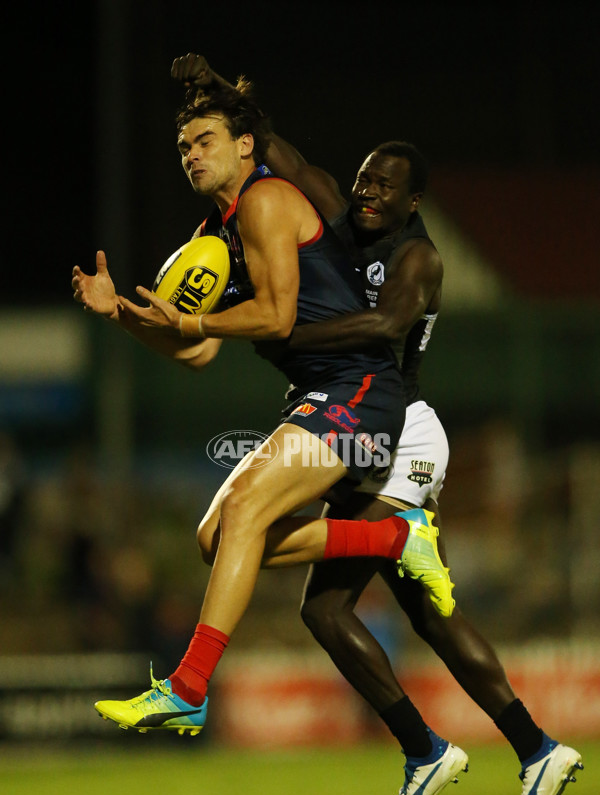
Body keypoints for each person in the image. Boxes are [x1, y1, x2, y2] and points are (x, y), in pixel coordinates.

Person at [168, 55, 583, 795]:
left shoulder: (417, 256)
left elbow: (385, 330)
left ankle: (507, 747)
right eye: (362, 180)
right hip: (363, 420)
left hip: (402, 427)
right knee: (342, 609)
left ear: (412, 202)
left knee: (399, 605)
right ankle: (467, 749)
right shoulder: (338, 212)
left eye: (383, 188)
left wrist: (280, 326)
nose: (366, 194)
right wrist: (218, 91)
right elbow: (272, 150)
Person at [72, 77, 454, 747]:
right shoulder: (212, 237)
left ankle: (188, 689)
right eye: (183, 144)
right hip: (318, 396)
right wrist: (122, 315)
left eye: (205, 140)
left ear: (245, 145)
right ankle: (397, 538)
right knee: (214, 537)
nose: (190, 153)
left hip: (360, 388)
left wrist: (194, 323)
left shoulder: (269, 200)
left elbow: (275, 316)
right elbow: (196, 353)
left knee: (246, 512)